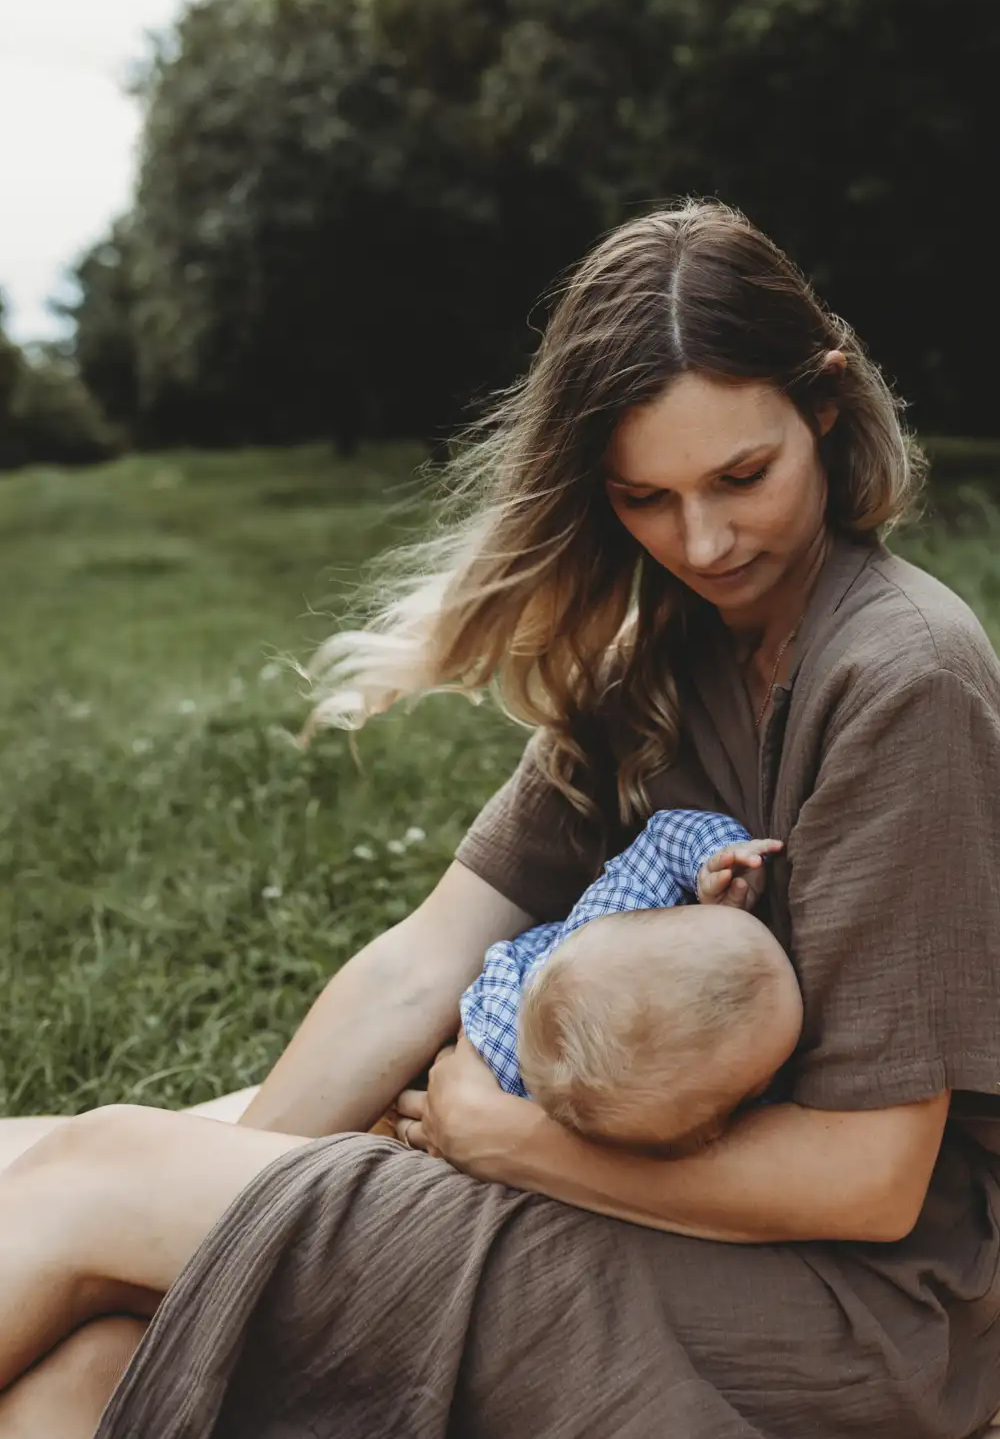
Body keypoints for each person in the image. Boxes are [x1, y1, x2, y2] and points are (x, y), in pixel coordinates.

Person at [1, 198, 1000, 1439]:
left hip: (834, 1315)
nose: (701, 539)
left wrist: (510, 1142)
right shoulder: (668, 656)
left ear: (829, 409)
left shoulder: (904, 675)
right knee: (79, 1333)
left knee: (99, 1174)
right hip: (610, 1194)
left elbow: (874, 1180)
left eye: (743, 476)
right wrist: (229, 1205)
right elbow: (426, 957)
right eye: (645, 497)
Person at [459, 806, 798, 1150]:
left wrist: (715, 859)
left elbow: (661, 840)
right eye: (765, 1078)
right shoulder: (671, 1111)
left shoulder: (611, 913)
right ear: (711, 1129)